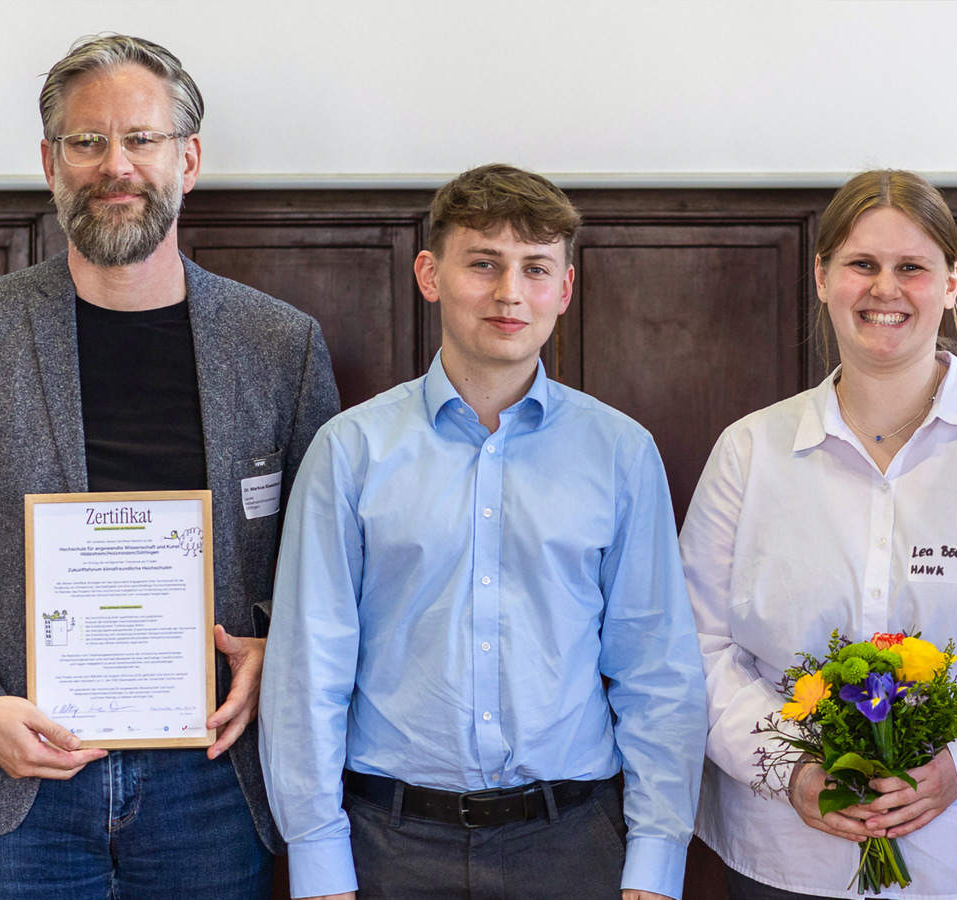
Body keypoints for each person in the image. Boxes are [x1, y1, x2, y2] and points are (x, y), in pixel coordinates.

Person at [0, 34, 340, 899]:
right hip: (22, 781)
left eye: (141, 140)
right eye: (86, 142)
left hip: (212, 780)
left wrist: (277, 647)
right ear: (50, 162)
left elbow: (326, 564)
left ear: (187, 159)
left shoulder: (280, 344)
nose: (114, 165)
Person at [258, 163, 707, 900]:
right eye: (483, 264)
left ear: (563, 289)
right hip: (388, 843)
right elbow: (309, 669)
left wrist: (657, 858)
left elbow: (657, 667)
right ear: (430, 274)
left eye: (535, 269)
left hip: (574, 842)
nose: (509, 293)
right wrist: (317, 859)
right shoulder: (351, 451)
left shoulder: (620, 453)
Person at [679, 169, 957, 900]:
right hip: (793, 858)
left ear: (951, 282)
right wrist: (792, 769)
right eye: (862, 264)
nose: (885, 289)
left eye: (911, 267)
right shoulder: (749, 451)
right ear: (822, 277)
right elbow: (697, 648)